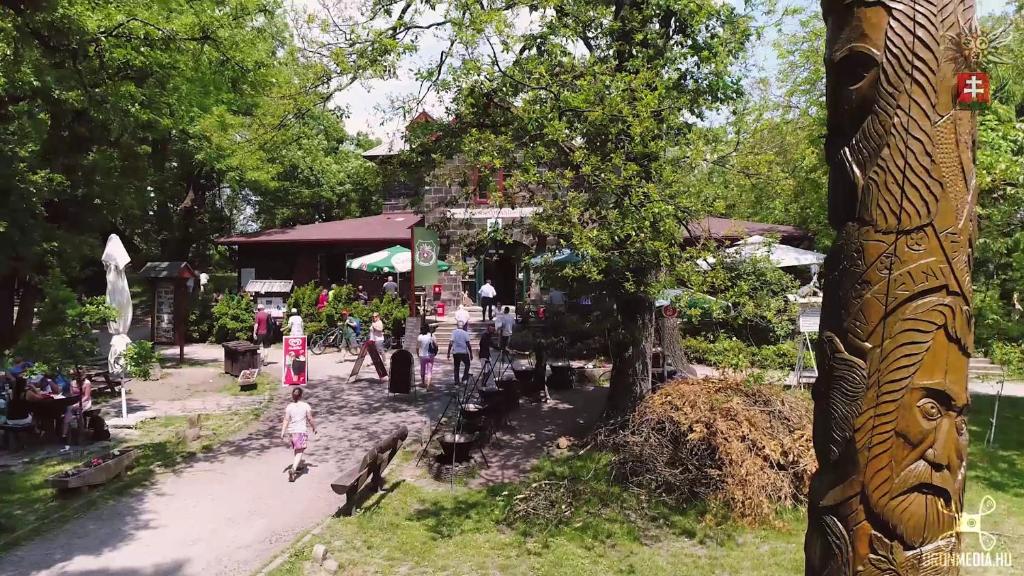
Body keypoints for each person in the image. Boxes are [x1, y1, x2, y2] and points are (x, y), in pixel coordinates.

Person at [279, 387, 316, 482]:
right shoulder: (305, 406)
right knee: (300, 451)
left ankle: (297, 465)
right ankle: (293, 469)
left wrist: (283, 431)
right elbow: (310, 418)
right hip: (301, 431)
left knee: (297, 449)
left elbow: (286, 420)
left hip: (291, 432)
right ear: (301, 395)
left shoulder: (289, 407)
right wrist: (314, 427)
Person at [61, 371, 92, 449]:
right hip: (74, 401)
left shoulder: (87, 383)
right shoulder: (72, 383)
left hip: (84, 401)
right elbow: (72, 395)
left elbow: (87, 396)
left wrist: (78, 403)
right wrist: (73, 403)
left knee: (79, 411)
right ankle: (64, 435)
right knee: (68, 410)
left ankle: (81, 434)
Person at [416, 324, 437, 389]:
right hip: (430, 355)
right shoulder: (431, 336)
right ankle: (428, 385)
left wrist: (418, 354)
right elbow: (436, 345)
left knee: (422, 369)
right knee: (429, 370)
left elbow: (417, 347)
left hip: (422, 355)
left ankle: (423, 382)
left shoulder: (419, 337)